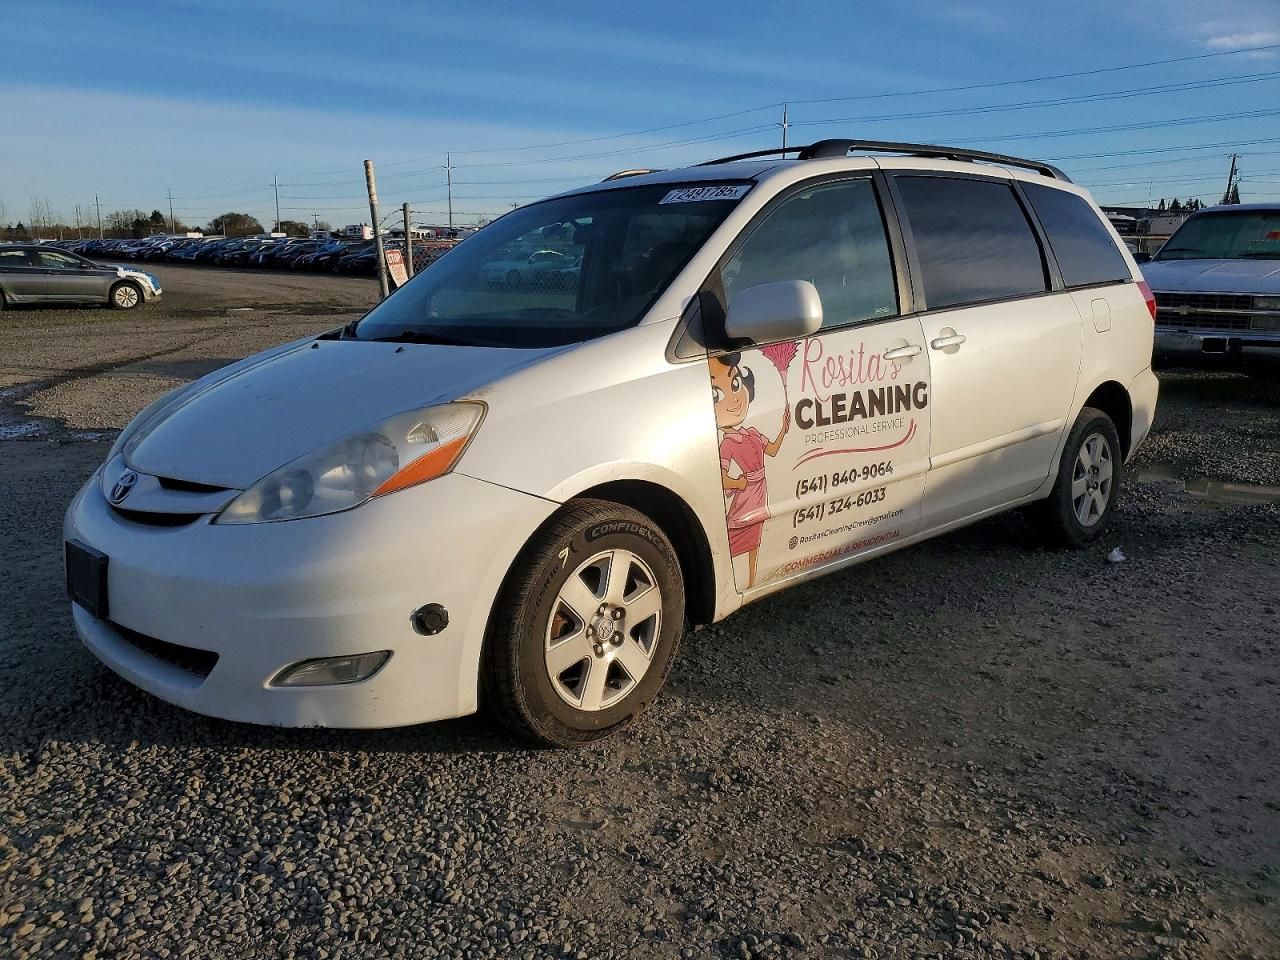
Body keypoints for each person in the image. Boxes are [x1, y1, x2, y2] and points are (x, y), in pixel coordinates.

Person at [711, 352, 789, 588]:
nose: (733, 400)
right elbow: (722, 479)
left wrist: (784, 429)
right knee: (736, 537)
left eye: (735, 384)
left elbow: (773, 451)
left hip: (759, 492)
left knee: (755, 541)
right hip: (746, 494)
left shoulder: (753, 433)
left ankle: (752, 581)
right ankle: (728, 580)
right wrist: (738, 483)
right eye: (717, 394)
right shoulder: (727, 443)